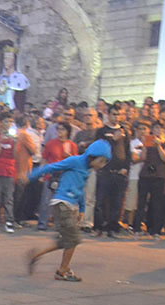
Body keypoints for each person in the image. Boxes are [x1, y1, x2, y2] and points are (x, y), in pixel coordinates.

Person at [27, 140, 112, 282]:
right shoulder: (75, 161)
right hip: (62, 203)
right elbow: (52, 167)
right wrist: (31, 176)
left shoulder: (86, 170)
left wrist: (82, 209)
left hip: (68, 206)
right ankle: (62, 271)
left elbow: (80, 190)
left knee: (64, 241)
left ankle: (35, 256)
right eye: (101, 161)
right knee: (73, 239)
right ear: (92, 156)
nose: (101, 165)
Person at [93, 104, 130, 237]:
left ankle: (112, 229)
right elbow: (98, 149)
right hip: (105, 171)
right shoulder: (102, 131)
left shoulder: (125, 132)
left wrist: (126, 168)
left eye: (118, 114)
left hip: (119, 172)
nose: (116, 117)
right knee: (100, 201)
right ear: (108, 114)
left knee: (117, 202)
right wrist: (113, 140)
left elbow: (127, 152)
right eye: (114, 114)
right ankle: (98, 227)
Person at [37, 121, 78, 230]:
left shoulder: (71, 145)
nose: (59, 132)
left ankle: (60, 225)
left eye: (62, 129)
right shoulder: (51, 143)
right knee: (46, 200)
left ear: (67, 132)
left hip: (65, 175)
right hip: (51, 174)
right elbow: (44, 158)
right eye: (58, 129)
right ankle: (42, 223)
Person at [135, 122, 165, 237]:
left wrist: (159, 145)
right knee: (141, 202)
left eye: (160, 128)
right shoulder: (147, 142)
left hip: (159, 176)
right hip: (145, 175)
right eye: (156, 128)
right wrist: (145, 145)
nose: (158, 130)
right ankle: (137, 228)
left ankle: (155, 229)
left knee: (157, 204)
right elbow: (143, 158)